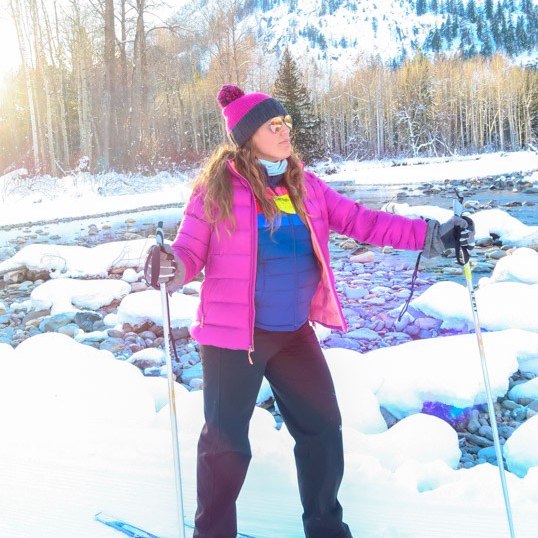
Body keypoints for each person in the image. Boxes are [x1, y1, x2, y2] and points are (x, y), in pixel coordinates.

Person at [157, 84, 472, 538]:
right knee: (226, 447)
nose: (286, 131)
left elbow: (364, 222)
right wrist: (171, 268)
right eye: (274, 125)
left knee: (323, 430)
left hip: (291, 332)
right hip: (234, 338)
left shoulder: (304, 184)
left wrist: (431, 236)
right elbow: (188, 252)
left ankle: (326, 530)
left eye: (286, 123)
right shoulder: (217, 189)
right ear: (249, 136)